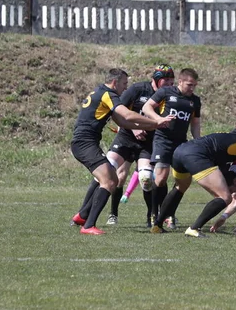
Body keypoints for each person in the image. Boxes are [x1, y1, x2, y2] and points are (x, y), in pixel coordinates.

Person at [70, 68, 173, 235]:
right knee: (109, 181)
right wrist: (156, 120)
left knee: (111, 176)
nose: (125, 88)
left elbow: (123, 122)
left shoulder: (100, 92)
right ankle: (88, 225)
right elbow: (127, 115)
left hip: (85, 143)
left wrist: (154, 125)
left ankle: (82, 216)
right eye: (124, 84)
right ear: (115, 82)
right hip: (85, 143)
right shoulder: (108, 95)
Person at [151, 119, 236, 238]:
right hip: (196, 156)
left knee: (179, 188)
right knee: (224, 197)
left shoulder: (223, 138)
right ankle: (194, 228)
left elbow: (224, 173)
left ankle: (157, 226)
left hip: (179, 151)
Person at [104, 64, 175, 227]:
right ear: (156, 80)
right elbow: (118, 111)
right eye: (166, 81)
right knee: (119, 176)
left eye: (172, 82)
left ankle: (154, 215)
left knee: (148, 178)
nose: (170, 85)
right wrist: (134, 129)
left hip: (149, 143)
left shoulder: (169, 96)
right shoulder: (137, 89)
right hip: (128, 137)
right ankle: (113, 214)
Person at [142, 68, 201, 227]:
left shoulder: (195, 101)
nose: (192, 88)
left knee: (182, 182)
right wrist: (158, 119)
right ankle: (155, 214)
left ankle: (169, 215)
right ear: (180, 82)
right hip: (163, 140)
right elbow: (147, 107)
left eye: (194, 85)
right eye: (189, 84)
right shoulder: (166, 92)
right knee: (160, 179)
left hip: (181, 143)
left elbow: (195, 124)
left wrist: (198, 142)